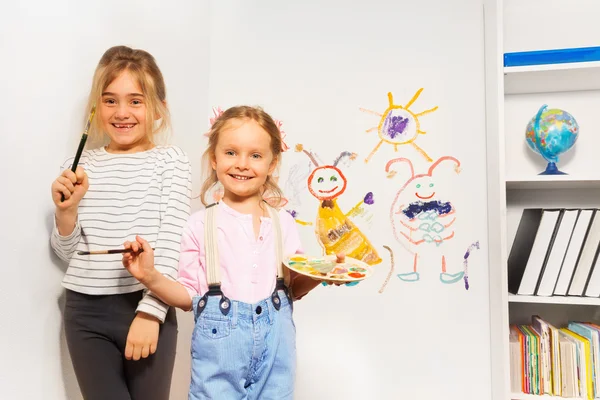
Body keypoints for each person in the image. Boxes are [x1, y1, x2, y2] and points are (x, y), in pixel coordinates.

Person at [122, 105, 336, 399]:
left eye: (256, 155)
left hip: (276, 355)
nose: (242, 164)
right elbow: (187, 297)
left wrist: (322, 274)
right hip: (218, 352)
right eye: (231, 153)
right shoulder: (199, 225)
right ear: (214, 158)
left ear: (272, 163)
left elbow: (293, 288)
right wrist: (149, 276)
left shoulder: (283, 223)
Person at [50, 45, 192, 400]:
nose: (122, 112)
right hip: (84, 312)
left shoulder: (170, 161)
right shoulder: (78, 165)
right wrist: (66, 212)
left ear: (159, 109)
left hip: (144, 302)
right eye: (110, 100)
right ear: (96, 108)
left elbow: (171, 242)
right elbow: (68, 253)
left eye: (136, 101)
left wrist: (151, 313)